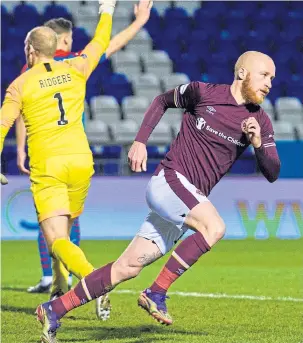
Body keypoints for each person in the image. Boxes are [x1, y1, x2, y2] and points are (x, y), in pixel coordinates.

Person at [35, 50, 280, 340]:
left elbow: (272, 172)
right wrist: (140, 142)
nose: (269, 84)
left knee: (127, 267)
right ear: (242, 73)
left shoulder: (260, 121)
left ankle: (54, 309)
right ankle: (156, 291)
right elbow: (161, 101)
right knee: (214, 227)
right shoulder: (202, 93)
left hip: (184, 202)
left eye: (273, 78)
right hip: (170, 181)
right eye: (264, 75)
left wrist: (258, 144)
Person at [16, 0, 152, 301]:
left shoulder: (29, 69)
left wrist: (20, 150)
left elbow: (19, 110)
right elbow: (110, 42)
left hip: (45, 154)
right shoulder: (77, 61)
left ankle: (55, 280)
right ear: (61, 39)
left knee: (51, 224)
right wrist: (138, 21)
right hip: (75, 152)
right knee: (67, 223)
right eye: (70, 38)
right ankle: (68, 283)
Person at [0, 0, 116, 338]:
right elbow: (101, 42)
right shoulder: (78, 66)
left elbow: (4, 122)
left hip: (49, 166)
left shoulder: (21, 84)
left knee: (56, 239)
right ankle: (63, 282)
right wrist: (106, 9)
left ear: (30, 50)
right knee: (66, 234)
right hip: (81, 162)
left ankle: (95, 281)